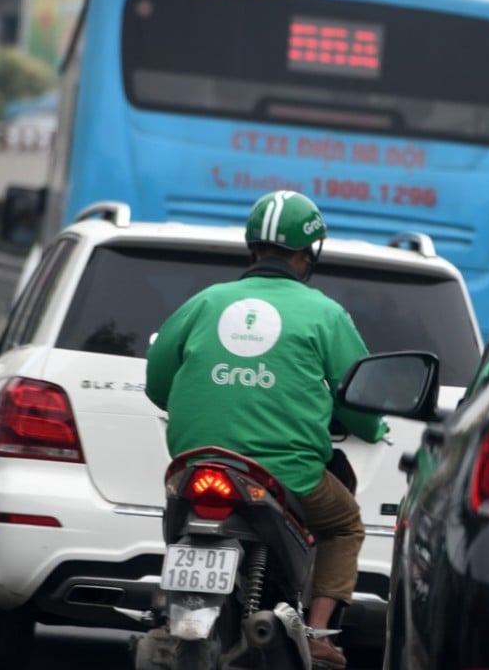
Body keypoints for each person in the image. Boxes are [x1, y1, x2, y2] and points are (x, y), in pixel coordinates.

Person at [145, 190, 387, 670]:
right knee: (344, 523)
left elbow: (157, 385)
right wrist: (373, 426)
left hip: (195, 467)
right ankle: (318, 634)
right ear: (309, 252)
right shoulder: (324, 313)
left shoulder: (205, 302)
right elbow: (362, 404)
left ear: (250, 246)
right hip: (284, 477)